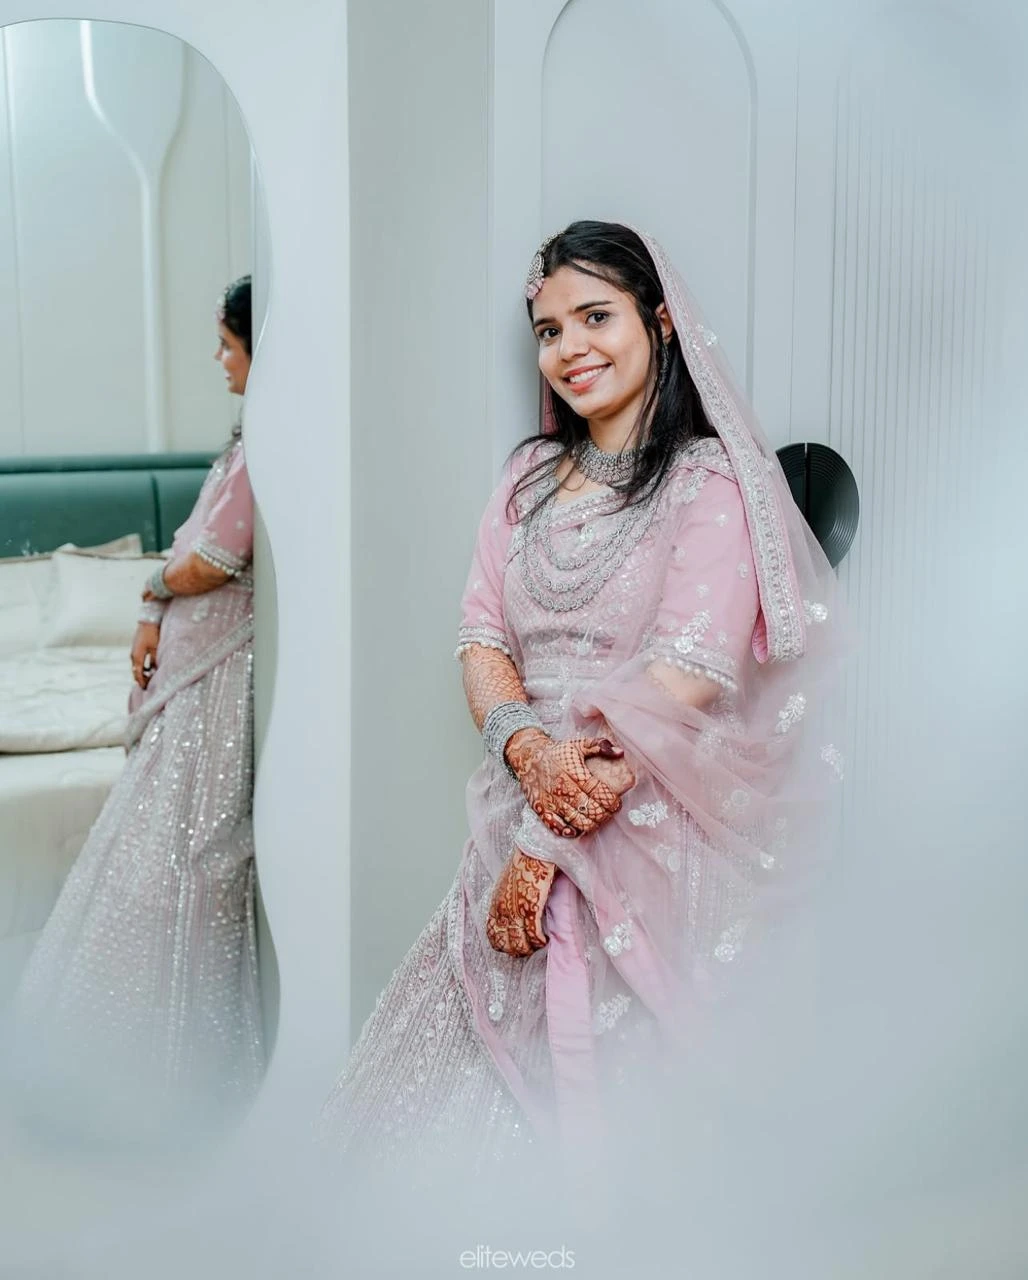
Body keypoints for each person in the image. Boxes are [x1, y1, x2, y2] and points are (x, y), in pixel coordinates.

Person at [320, 223, 845, 1163]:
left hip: (645, 818)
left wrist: (544, 839)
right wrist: (529, 756)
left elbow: (682, 676)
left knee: (607, 1109)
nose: (570, 349)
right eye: (549, 329)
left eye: (595, 316)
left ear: (660, 322)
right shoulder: (525, 477)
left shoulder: (710, 483)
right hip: (529, 792)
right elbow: (480, 635)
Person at [8, 276, 263, 1144]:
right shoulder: (245, 443)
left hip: (209, 690)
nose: (217, 359)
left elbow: (217, 558)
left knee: (180, 865)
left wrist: (151, 584)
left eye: (226, 343)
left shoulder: (266, 446)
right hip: (185, 675)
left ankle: (165, 1072)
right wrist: (155, 607)